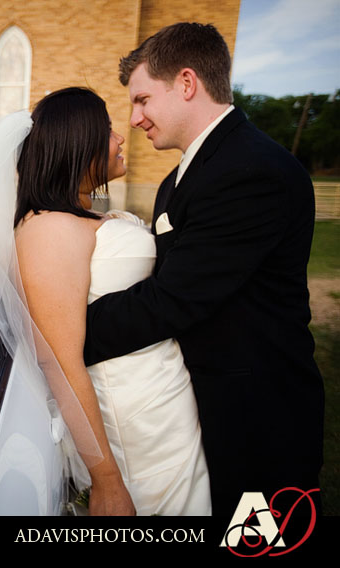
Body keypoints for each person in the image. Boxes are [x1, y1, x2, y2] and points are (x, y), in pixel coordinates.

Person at [83, 23, 324, 517]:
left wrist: (62, 336)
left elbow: (174, 298)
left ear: (187, 83)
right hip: (196, 408)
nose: (135, 119)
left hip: (257, 418)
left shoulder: (252, 170)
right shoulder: (180, 176)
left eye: (143, 99)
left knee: (258, 543)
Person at [0, 88, 211, 516]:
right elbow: (58, 360)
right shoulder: (47, 231)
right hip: (130, 419)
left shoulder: (83, 217)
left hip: (163, 399)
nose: (120, 137)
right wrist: (106, 480)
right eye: (109, 129)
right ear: (81, 142)